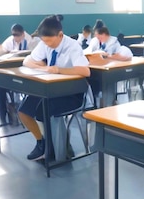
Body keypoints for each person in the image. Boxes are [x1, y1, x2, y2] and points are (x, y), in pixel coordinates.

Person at [18, 15, 90, 161]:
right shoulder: (45, 43)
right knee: (23, 111)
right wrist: (44, 67)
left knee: (42, 110)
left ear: (60, 35)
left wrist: (58, 70)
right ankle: (41, 143)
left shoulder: (73, 46)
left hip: (71, 92)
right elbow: (27, 61)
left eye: (50, 41)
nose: (47, 45)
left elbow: (85, 71)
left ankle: (59, 150)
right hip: (49, 88)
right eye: (44, 42)